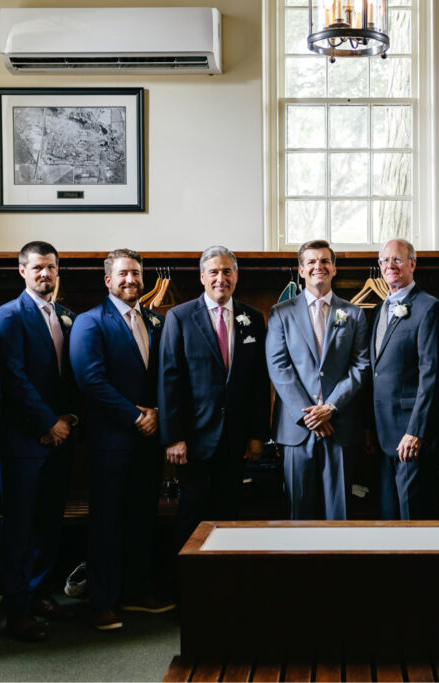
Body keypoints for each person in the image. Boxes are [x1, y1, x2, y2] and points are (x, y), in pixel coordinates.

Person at [68, 249, 174, 631]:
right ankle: (103, 601)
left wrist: (159, 414)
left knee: (141, 517)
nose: (131, 280)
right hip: (111, 439)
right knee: (107, 522)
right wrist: (135, 416)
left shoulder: (158, 322)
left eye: (136, 274)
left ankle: (136, 590)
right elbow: (90, 380)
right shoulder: (90, 322)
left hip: (149, 439)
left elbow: (168, 376)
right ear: (108, 280)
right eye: (123, 274)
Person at [0, 241, 80, 642]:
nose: (46, 274)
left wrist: (69, 419)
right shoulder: (8, 316)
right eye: (38, 267)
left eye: (52, 268)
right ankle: (16, 609)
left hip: (61, 437)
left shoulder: (66, 316)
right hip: (23, 441)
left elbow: (72, 376)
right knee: (21, 527)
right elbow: (13, 378)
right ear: (22, 271)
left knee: (49, 523)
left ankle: (40, 592)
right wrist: (46, 422)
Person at [159, 246, 270, 550]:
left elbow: (260, 382)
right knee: (191, 515)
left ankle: (225, 587)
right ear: (202, 277)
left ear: (236, 276)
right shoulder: (179, 317)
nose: (221, 278)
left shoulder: (253, 318)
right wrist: (173, 437)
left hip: (235, 439)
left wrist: (257, 435)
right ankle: (189, 589)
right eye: (214, 272)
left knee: (229, 516)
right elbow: (169, 379)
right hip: (193, 440)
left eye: (227, 271)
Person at [266, 240, 369, 520]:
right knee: (299, 512)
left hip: (340, 424)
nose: (318, 267)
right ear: (301, 270)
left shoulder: (354, 313)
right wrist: (311, 415)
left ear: (334, 268)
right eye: (311, 262)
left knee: (340, 512)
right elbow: (278, 367)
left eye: (324, 261)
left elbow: (360, 365)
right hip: (297, 429)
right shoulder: (281, 313)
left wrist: (331, 407)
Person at [368, 239, 439, 519]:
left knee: (414, 517)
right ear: (379, 267)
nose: (391, 265)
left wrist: (416, 431)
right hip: (383, 435)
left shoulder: (429, 308)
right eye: (385, 260)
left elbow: (433, 375)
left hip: (412, 435)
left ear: (412, 264)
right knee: (390, 517)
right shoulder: (381, 309)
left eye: (398, 259)